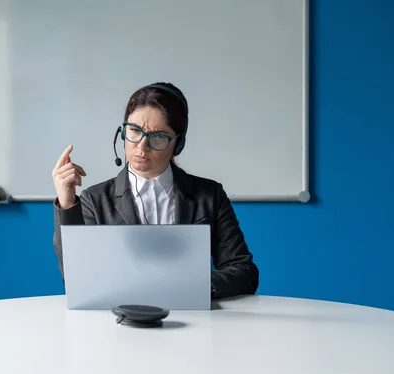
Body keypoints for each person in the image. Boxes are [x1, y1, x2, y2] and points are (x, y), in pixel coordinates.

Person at [51, 82, 259, 299]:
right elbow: (77, 279)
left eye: (158, 136)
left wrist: (199, 285)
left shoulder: (209, 195)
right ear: (122, 132)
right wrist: (67, 204)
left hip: (194, 320)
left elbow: (244, 272)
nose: (142, 146)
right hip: (120, 322)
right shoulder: (95, 200)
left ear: (177, 144)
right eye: (134, 131)